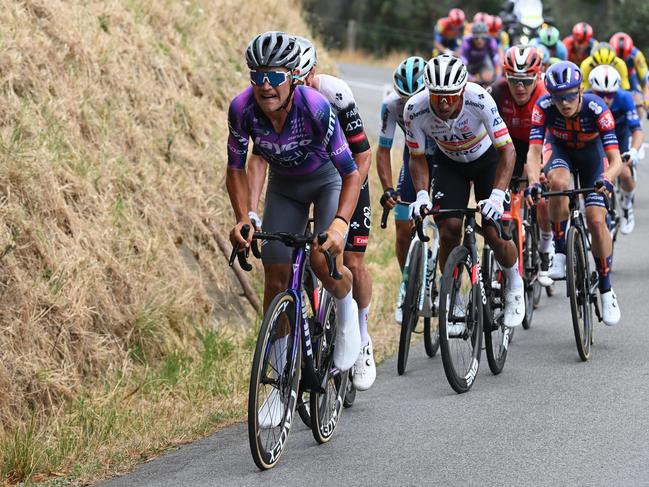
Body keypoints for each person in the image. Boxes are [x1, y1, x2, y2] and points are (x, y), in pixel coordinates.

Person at [227, 31, 363, 412]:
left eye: (274, 76)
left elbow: (351, 173)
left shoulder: (316, 107)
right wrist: (245, 216)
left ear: (292, 77)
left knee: (323, 260)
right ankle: (281, 384)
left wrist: (338, 225)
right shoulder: (242, 110)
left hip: (327, 182)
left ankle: (346, 307)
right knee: (275, 279)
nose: (265, 86)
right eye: (257, 76)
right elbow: (237, 168)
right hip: (284, 188)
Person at [405, 54, 525, 328]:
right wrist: (422, 194)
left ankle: (514, 284)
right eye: (437, 96)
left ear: (462, 90)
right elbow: (417, 156)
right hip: (450, 164)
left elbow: (507, 151)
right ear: (427, 91)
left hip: (488, 163)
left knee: (495, 234)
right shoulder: (414, 109)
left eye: (450, 96)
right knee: (448, 229)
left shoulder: (479, 99)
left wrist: (496, 195)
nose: (444, 102)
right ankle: (454, 298)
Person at [525, 61, 623, 326]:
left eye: (569, 95)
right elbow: (534, 153)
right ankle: (559, 252)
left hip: (593, 157)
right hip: (560, 151)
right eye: (558, 97)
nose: (564, 102)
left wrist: (606, 178)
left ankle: (605, 287)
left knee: (595, 219)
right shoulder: (544, 107)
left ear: (580, 90)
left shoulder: (597, 108)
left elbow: (615, 160)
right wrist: (534, 181)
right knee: (557, 183)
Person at [375, 56, 433, 323]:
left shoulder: (438, 97)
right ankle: (408, 283)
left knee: (447, 222)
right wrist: (388, 188)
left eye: (416, 96)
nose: (410, 104)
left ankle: (438, 276)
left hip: (445, 157)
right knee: (402, 229)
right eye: (404, 97)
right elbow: (383, 149)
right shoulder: (390, 106)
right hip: (414, 158)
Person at [490, 45, 554, 286]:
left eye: (526, 81)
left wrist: (537, 172)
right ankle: (502, 266)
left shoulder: (545, 95)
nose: (519, 87)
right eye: (514, 80)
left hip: (539, 142)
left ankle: (546, 247)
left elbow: (549, 139)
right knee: (500, 198)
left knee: (541, 199)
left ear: (537, 77)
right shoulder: (496, 91)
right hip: (509, 145)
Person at [588, 65, 643, 234]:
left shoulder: (625, 98)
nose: (605, 100)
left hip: (619, 139)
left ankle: (627, 207)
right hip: (597, 141)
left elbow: (637, 131)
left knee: (625, 173)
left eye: (610, 95)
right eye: (601, 95)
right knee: (595, 176)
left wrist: (633, 151)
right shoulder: (586, 98)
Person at [609, 32, 649, 116]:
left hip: (630, 77)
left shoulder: (637, 55)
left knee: (638, 98)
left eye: (624, 58)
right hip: (612, 76)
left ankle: (637, 124)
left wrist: (646, 99)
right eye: (618, 58)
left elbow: (645, 80)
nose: (621, 62)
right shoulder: (607, 53)